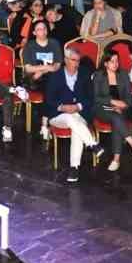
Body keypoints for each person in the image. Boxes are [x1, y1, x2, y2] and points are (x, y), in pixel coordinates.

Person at [42, 46, 98, 183]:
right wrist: (62, 107)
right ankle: (92, 144)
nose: (76, 63)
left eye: (78, 60)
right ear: (66, 60)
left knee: (75, 128)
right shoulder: (55, 75)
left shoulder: (84, 73)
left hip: (79, 114)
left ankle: (74, 168)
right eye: (73, 60)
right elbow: (48, 100)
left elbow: (91, 97)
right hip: (58, 115)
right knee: (69, 117)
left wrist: (78, 106)